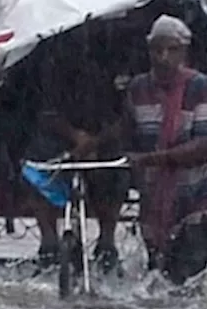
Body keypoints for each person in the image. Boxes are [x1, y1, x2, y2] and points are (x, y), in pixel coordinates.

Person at [123, 15, 207, 284]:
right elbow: (128, 138)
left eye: (171, 50)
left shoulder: (200, 86)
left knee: (188, 285)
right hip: (153, 204)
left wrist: (152, 159)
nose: (163, 57)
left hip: (195, 203)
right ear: (149, 51)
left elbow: (204, 147)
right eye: (157, 49)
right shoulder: (138, 88)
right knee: (158, 284)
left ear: (184, 52)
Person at [23, 47, 130, 274]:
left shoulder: (119, 65)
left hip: (102, 138)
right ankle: (48, 239)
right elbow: (44, 114)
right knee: (36, 166)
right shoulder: (50, 65)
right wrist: (76, 137)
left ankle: (107, 240)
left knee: (119, 168)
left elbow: (126, 118)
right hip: (59, 138)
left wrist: (95, 142)